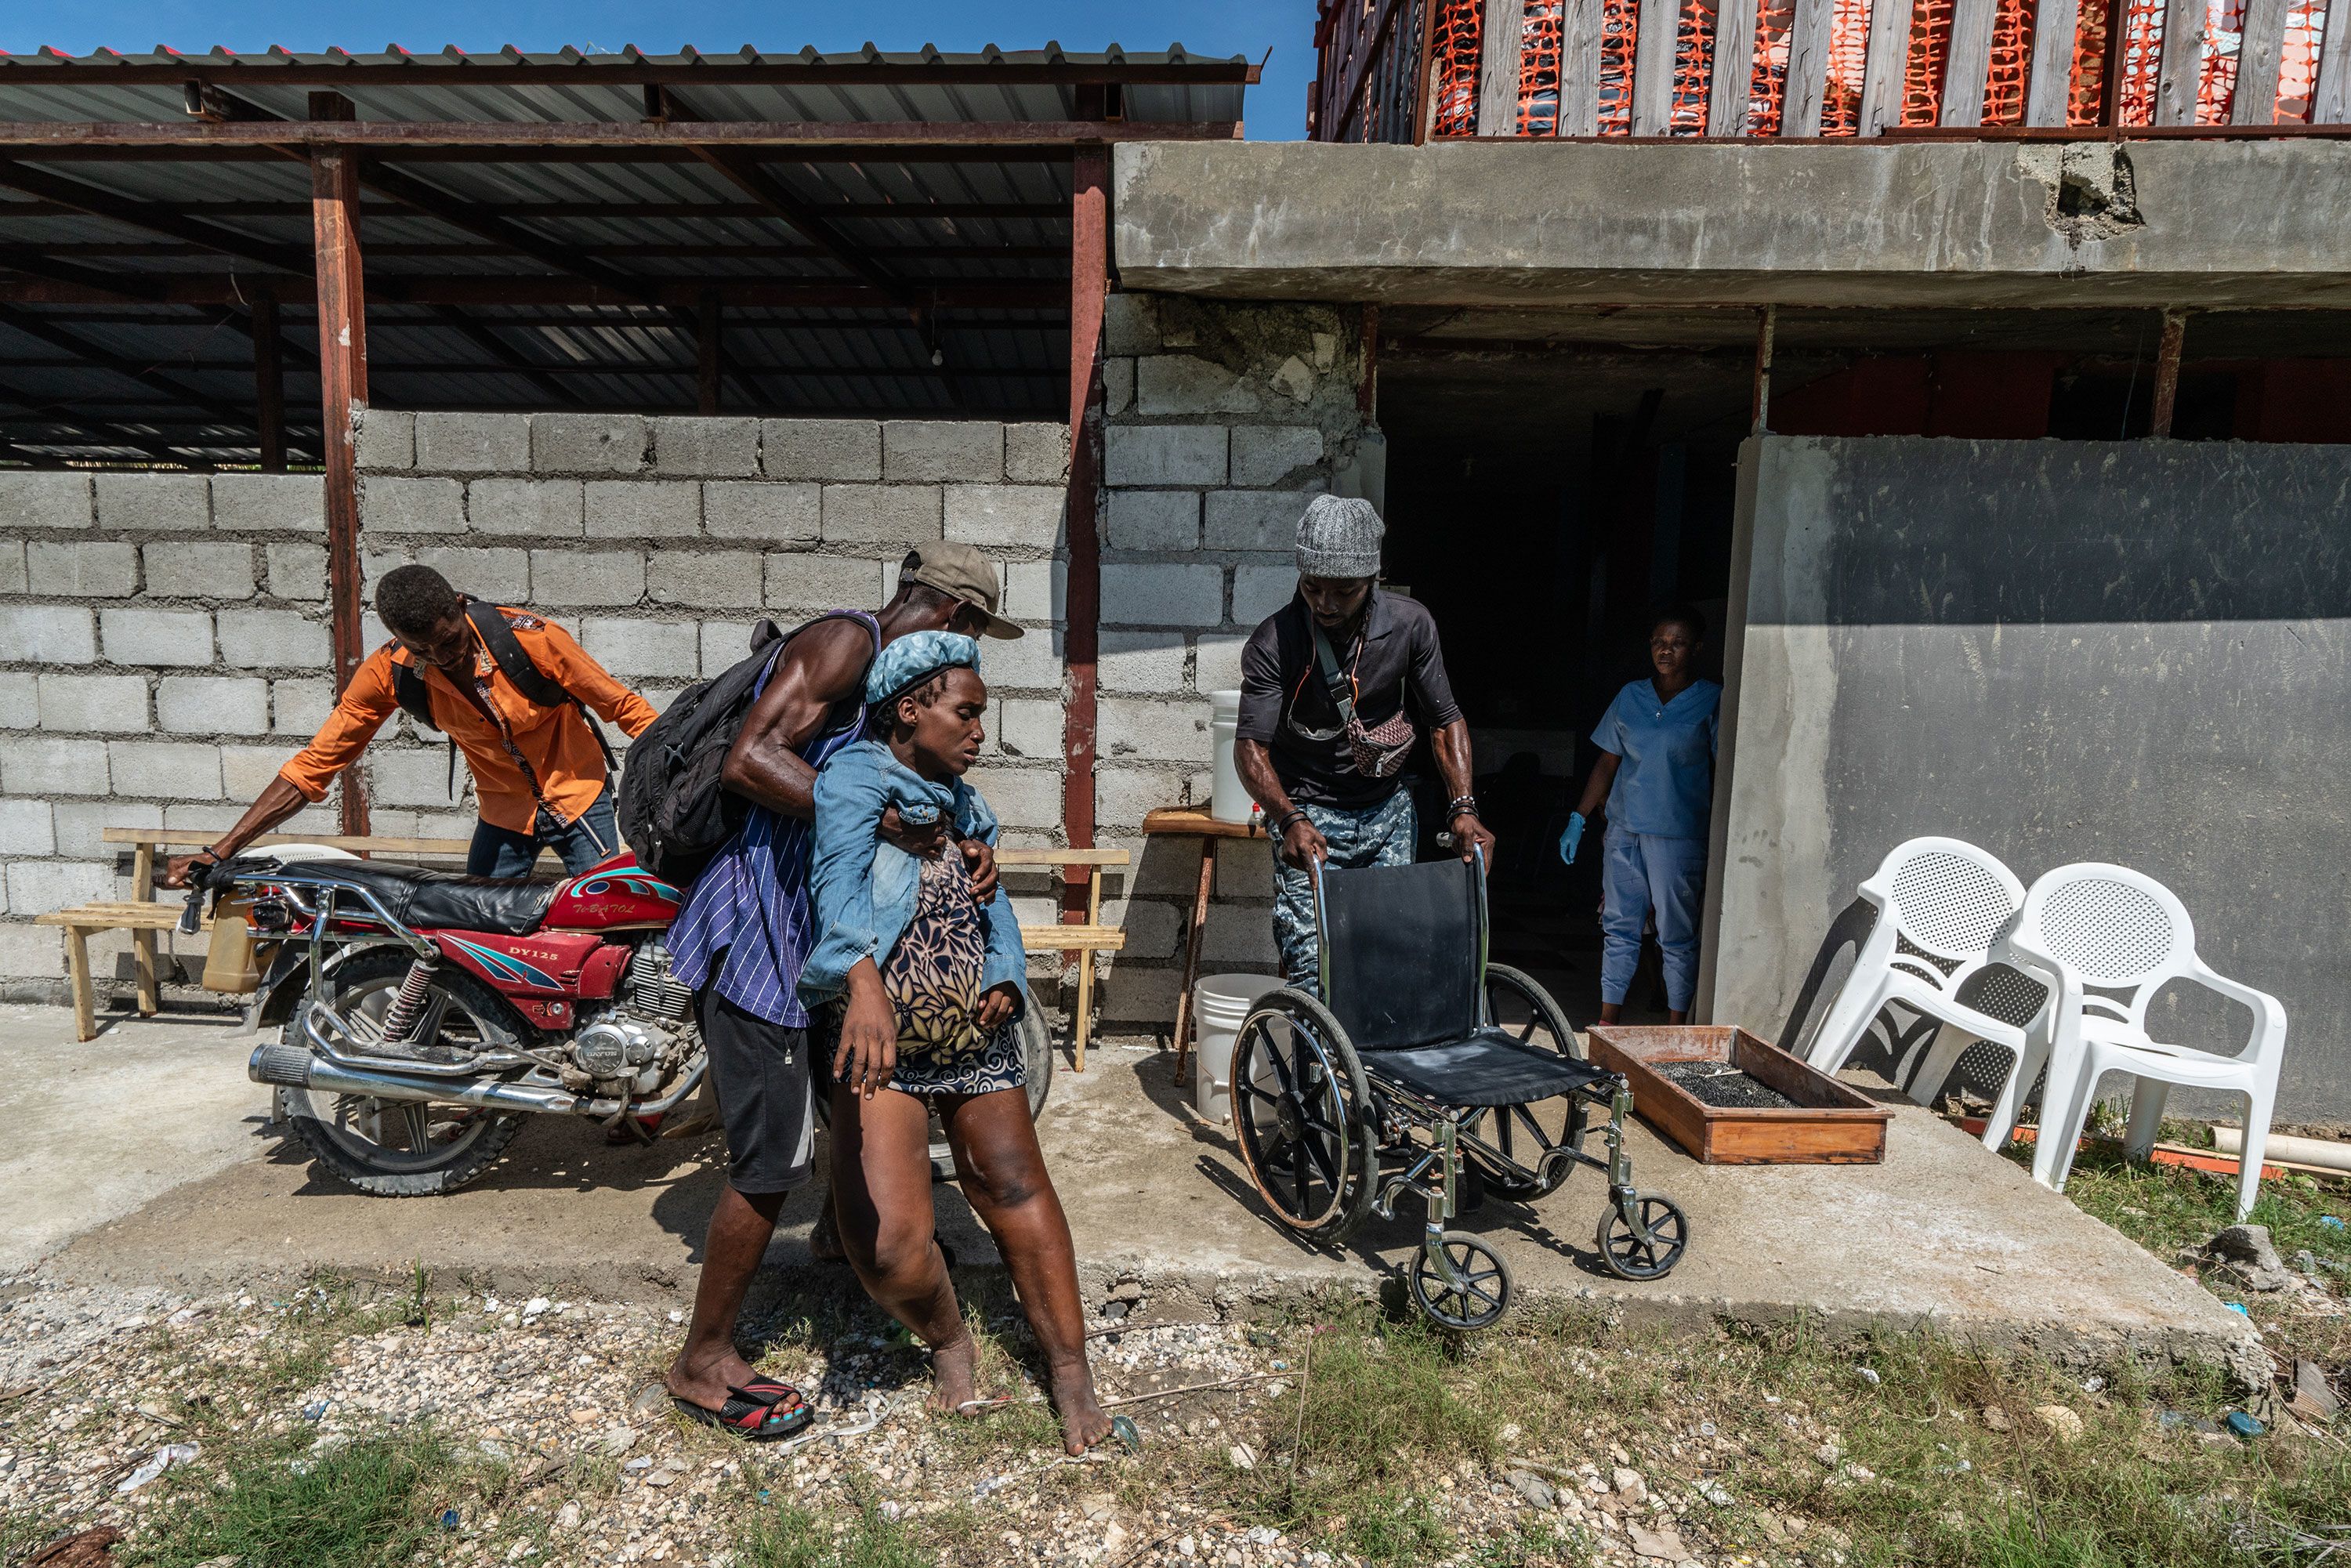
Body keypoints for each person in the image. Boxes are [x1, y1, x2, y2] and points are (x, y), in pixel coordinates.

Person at [660, 542, 1019, 1439]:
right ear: (945, 611)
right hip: (760, 927)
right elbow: (749, 760)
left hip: (817, 929)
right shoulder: (844, 645)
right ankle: (703, 1358)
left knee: (839, 1086)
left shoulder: (882, 694)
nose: (966, 652)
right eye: (969, 629)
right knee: (770, 1155)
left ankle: (835, 1238)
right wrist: (869, 813)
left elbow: (926, 809)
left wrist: (956, 842)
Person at [799, 632, 1110, 1455]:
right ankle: (946, 1334)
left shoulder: (961, 799)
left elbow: (989, 894)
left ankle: (1070, 1368)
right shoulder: (858, 776)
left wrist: (1005, 968)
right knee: (892, 1249)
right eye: (965, 712)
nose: (980, 731)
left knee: (1012, 1186)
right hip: (882, 1043)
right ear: (910, 709)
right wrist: (862, 986)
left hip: (975, 1036)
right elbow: (832, 887)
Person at [163, 565, 654, 887]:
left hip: (579, 798)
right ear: (399, 640)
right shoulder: (388, 674)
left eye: (451, 640)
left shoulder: (532, 640)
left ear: (459, 608)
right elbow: (314, 767)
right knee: (473, 931)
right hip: (504, 814)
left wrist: (688, 769)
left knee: (607, 919)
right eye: (424, 651)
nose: (444, 657)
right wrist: (221, 849)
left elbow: (624, 707)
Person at [1233, 495, 1495, 989]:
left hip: (1387, 813)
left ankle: (1373, 1067)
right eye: (1313, 588)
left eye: (1345, 591)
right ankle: (1320, 1063)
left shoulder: (1410, 624)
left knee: (1390, 960)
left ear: (1373, 579)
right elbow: (1250, 749)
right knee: (1316, 969)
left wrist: (1464, 806)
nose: (1326, 605)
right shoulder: (1275, 641)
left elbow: (1444, 720)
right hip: (1309, 818)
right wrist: (1288, 818)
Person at [1559, 608, 1722, 1025]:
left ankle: (1674, 1027)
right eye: (1658, 642)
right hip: (1624, 830)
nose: (1665, 650)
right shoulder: (1631, 696)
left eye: (1677, 642)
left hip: (1678, 836)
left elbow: (1727, 771)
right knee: (1619, 928)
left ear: (1696, 649)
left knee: (1676, 936)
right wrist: (1578, 817)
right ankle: (1608, 1020)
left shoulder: (1712, 699)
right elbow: (1607, 762)